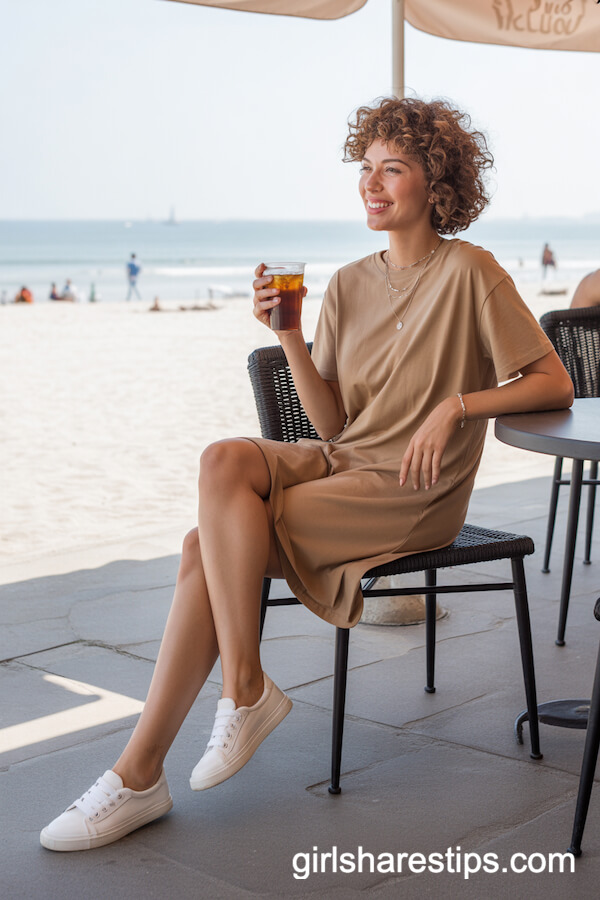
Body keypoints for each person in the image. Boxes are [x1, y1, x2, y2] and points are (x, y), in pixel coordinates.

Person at [40, 96, 574, 852]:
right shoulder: (350, 282)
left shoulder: (471, 271)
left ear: (437, 184)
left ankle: (145, 769)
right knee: (222, 460)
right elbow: (330, 425)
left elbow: (555, 384)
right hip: (348, 460)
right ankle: (237, 695)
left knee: (202, 548)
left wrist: (458, 405)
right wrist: (289, 335)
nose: (371, 183)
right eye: (366, 167)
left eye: (393, 168)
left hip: (413, 490)